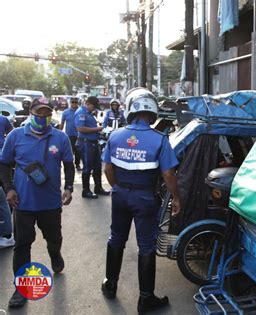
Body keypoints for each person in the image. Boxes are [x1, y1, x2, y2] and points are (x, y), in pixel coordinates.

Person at [101, 88, 181, 313]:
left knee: (116, 238)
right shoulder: (159, 139)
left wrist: (118, 187)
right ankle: (145, 298)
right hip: (145, 197)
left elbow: (107, 168)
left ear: (130, 110)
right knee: (146, 245)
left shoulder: (115, 136)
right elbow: (168, 175)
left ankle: (110, 285)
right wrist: (176, 197)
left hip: (120, 194)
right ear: (152, 112)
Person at [0, 98, 75, 308]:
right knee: (22, 245)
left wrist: (69, 188)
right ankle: (20, 289)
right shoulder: (15, 136)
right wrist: (9, 189)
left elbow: (69, 165)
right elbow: (4, 165)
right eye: (38, 112)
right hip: (23, 203)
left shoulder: (60, 137)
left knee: (54, 238)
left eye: (46, 113)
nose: (42, 117)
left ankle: (55, 254)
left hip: (51, 203)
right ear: (30, 112)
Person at [74, 96, 109, 199]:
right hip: (85, 143)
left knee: (98, 166)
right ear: (88, 103)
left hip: (93, 143)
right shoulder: (81, 112)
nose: (94, 109)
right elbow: (80, 128)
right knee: (87, 167)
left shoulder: (89, 113)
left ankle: (98, 188)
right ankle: (86, 190)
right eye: (93, 106)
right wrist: (97, 129)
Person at [0, 113, 14, 248]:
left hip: (2, 156)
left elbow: (10, 134)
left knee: (1, 196)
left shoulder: (3, 119)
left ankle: (7, 235)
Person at [60, 97, 82, 171]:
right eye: (73, 102)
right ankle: (69, 165)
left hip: (79, 134)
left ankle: (77, 164)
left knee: (78, 151)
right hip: (69, 135)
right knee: (69, 151)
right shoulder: (66, 112)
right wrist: (59, 132)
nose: (74, 104)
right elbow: (62, 123)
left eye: (76, 102)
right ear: (70, 103)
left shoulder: (80, 111)